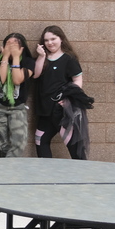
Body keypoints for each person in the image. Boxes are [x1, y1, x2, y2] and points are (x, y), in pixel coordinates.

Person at [34, 25, 85, 159]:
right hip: (45, 110)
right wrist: (41, 56)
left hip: (62, 112)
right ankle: (47, 170)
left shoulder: (69, 58)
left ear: (61, 39)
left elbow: (77, 79)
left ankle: (83, 170)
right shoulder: (43, 57)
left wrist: (69, 98)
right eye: (46, 40)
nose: (50, 43)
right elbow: (35, 75)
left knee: (75, 147)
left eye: (53, 39)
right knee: (40, 140)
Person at [0, 33, 35, 158]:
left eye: (15, 43)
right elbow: (1, 79)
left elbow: (17, 80)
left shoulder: (29, 62)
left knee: (19, 143)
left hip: (18, 107)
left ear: (22, 47)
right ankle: (6, 167)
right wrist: (5, 56)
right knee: (2, 144)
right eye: (8, 43)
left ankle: (9, 165)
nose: (11, 46)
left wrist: (16, 57)